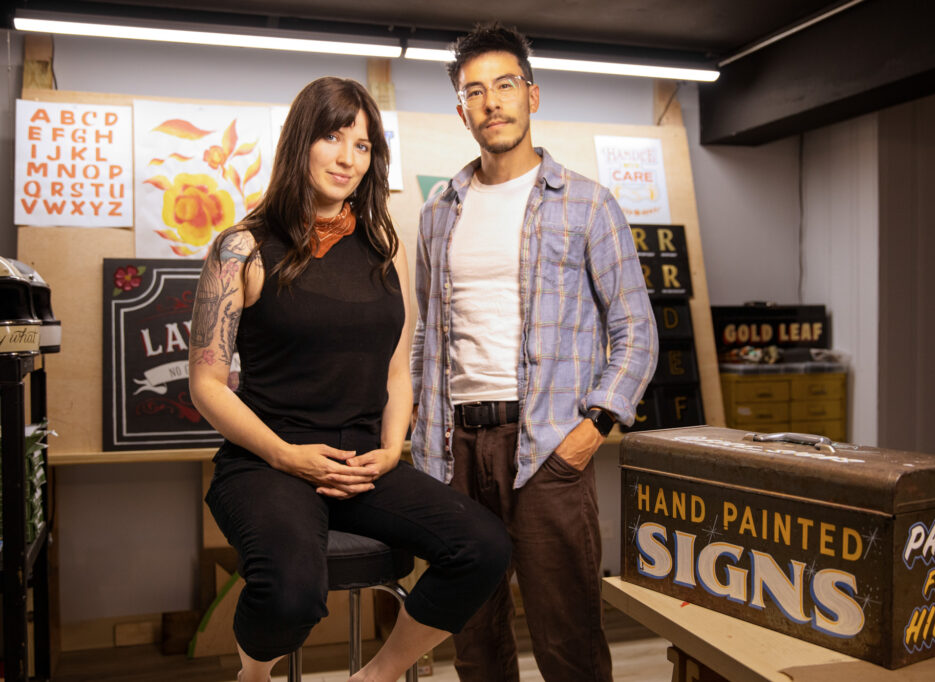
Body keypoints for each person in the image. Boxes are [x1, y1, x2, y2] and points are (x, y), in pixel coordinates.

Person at [190, 76, 511, 682]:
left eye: (362, 146)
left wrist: (391, 451)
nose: (347, 158)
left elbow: (396, 368)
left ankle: (375, 676)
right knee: (290, 593)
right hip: (265, 461)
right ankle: (253, 677)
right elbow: (206, 384)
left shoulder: (385, 248)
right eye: (333, 138)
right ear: (300, 142)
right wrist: (288, 456)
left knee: (484, 548)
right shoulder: (242, 248)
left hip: (365, 461)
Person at [410, 23, 658, 682]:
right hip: (455, 450)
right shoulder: (439, 212)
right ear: (461, 111)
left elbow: (636, 330)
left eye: (505, 85)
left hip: (548, 445)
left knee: (567, 638)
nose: (491, 102)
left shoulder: (588, 205)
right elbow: (425, 333)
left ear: (532, 95)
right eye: (475, 92)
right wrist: (419, 439)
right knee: (474, 638)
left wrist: (592, 431)